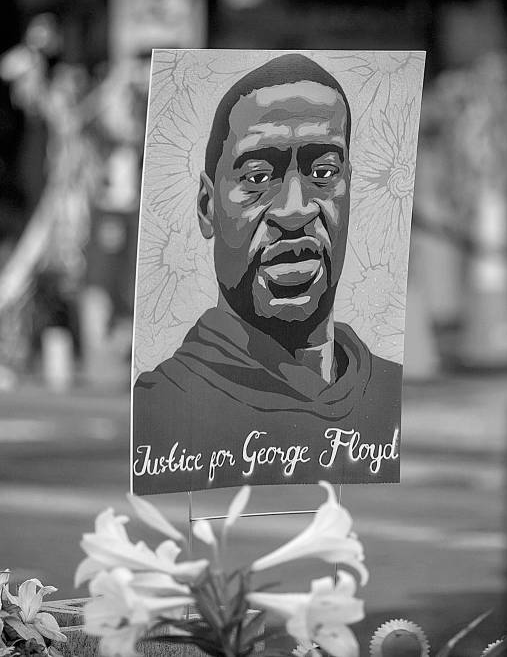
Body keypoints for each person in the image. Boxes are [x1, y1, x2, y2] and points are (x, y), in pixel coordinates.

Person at [132, 54, 402, 493]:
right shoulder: (163, 409)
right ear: (206, 206)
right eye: (257, 176)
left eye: (324, 173)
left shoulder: (385, 393)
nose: (295, 209)